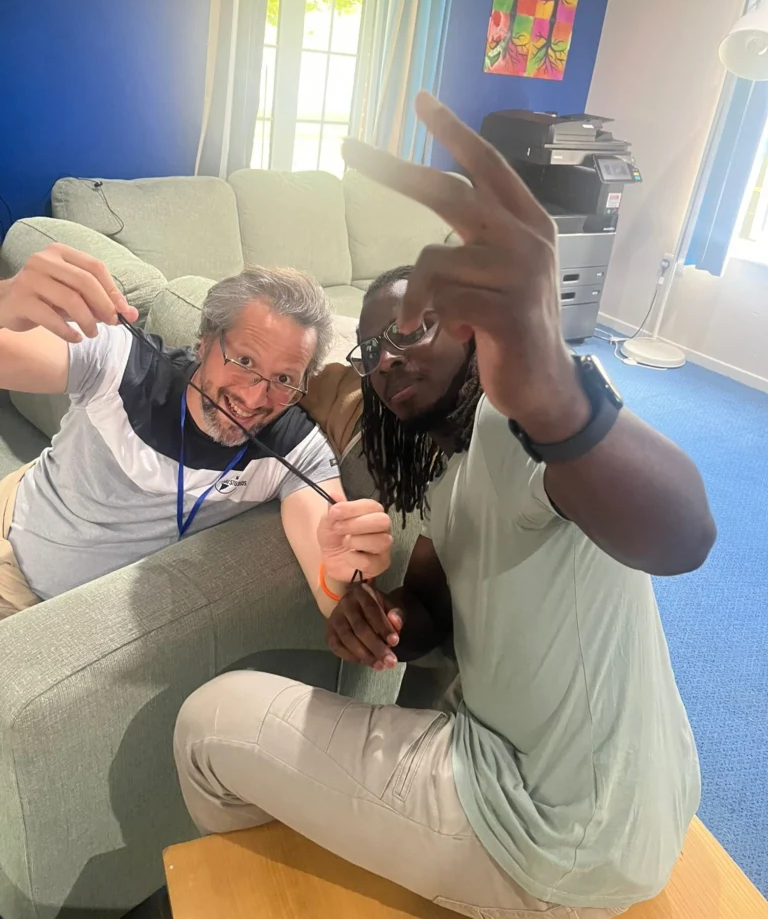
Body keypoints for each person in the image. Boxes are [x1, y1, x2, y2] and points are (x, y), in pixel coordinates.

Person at [173, 93, 717, 918]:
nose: (387, 359)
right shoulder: (435, 472)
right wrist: (386, 621)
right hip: (639, 796)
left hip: (553, 827)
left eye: (414, 328)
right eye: (372, 347)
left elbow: (684, 538)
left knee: (208, 725)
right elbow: (431, 610)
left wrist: (555, 398)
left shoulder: (513, 424)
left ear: (469, 332)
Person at [0, 250, 392, 618]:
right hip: (11, 531)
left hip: (53, 618)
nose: (255, 397)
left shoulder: (295, 449)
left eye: (285, 379)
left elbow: (331, 589)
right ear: (204, 343)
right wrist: (5, 300)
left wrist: (345, 572)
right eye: (244, 360)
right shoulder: (116, 362)